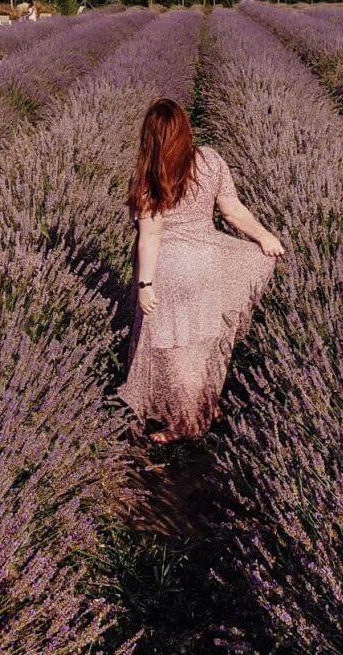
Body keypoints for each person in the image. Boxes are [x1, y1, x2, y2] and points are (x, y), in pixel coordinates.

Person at [118, 97, 284, 443]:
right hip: (209, 263)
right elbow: (233, 211)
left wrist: (145, 284)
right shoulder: (210, 160)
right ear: (184, 129)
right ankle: (204, 406)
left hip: (170, 269)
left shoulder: (150, 174)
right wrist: (265, 237)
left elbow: (150, 236)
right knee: (205, 344)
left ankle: (185, 423)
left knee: (169, 352)